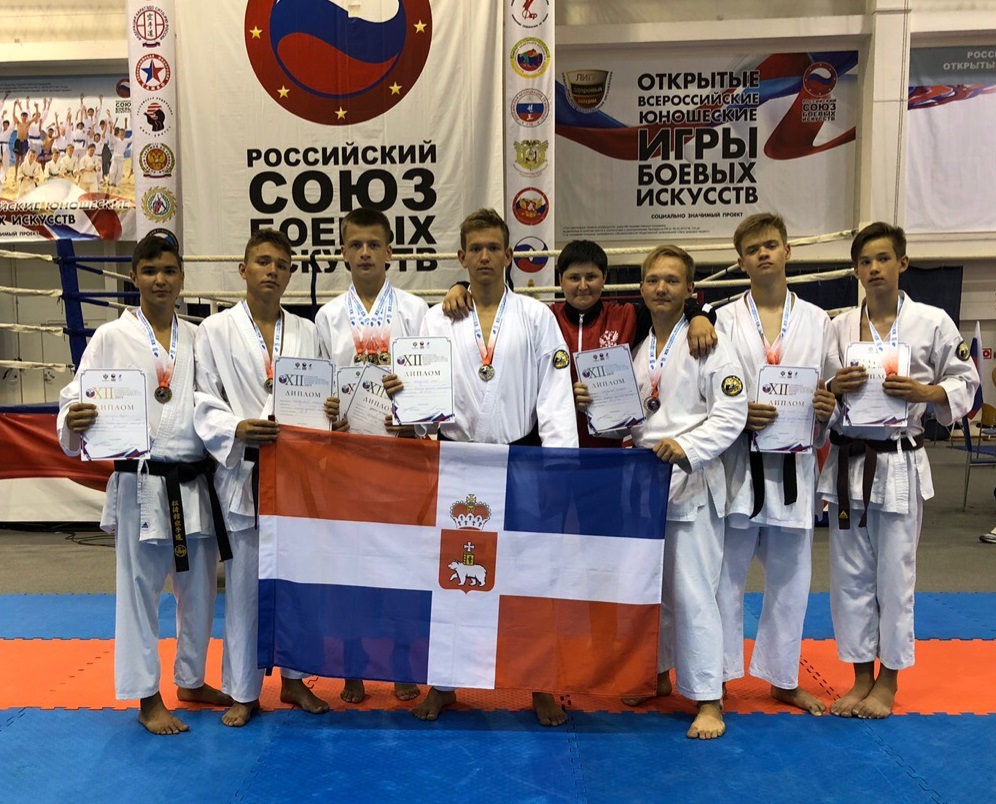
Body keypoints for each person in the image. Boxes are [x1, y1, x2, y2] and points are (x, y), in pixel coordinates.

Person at [406, 208, 579, 726]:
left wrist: (559, 464)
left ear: (509, 256)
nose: (484, 256)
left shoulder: (536, 317)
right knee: (452, 577)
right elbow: (424, 392)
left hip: (521, 461)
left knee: (531, 576)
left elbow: (555, 393)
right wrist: (411, 411)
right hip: (457, 461)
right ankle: (444, 683)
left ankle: (540, 684)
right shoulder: (436, 319)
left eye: (493, 248)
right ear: (461, 257)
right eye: (475, 249)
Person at [56, 235, 232, 734]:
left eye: (169, 270)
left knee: (199, 590)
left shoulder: (199, 337)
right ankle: (147, 696)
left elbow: (214, 401)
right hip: (141, 480)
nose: (160, 280)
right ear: (133, 276)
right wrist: (75, 416)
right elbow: (74, 396)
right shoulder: (111, 336)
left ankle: (191, 680)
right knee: (139, 592)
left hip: (193, 481)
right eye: (150, 270)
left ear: (182, 278)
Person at [578, 244, 747, 739]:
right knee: (651, 590)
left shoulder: (709, 343)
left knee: (694, 592)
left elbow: (731, 413)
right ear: (642, 288)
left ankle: (709, 699)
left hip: (690, 479)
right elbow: (629, 421)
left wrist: (688, 446)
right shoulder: (637, 350)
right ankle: (656, 674)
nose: (661, 288)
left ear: (690, 290)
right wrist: (594, 407)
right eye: (653, 280)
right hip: (643, 480)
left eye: (672, 280)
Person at [819, 222, 980, 718]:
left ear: (902, 263)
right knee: (849, 577)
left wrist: (927, 392)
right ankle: (859, 677)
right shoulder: (838, 326)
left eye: (883, 259)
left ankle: (888, 681)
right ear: (856, 270)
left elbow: (967, 382)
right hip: (848, 464)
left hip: (898, 461)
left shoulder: (933, 322)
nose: (874, 269)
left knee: (894, 575)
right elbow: (821, 395)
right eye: (865, 262)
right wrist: (834, 388)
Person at [194, 229, 339, 727]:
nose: (272, 270)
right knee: (243, 586)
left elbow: (325, 391)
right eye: (262, 261)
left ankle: (296, 681)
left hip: (297, 471)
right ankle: (243, 690)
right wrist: (235, 427)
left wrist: (330, 410)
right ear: (243, 269)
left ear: (291, 273)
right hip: (244, 470)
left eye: (281, 263)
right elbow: (203, 397)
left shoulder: (307, 331)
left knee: (298, 580)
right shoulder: (215, 330)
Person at [715, 213, 839, 715]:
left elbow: (832, 388)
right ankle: (716, 677)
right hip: (739, 465)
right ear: (741, 261)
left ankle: (783, 678)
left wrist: (828, 408)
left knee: (791, 578)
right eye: (752, 249)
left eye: (770, 245)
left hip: (793, 466)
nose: (763, 254)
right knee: (725, 576)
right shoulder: (722, 319)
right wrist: (736, 413)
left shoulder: (818, 320)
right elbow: (711, 387)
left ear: (787, 251)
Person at [442, 239, 718, 446]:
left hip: (607, 450)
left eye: (591, 277)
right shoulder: (541, 318)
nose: (583, 286)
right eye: (574, 278)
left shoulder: (628, 316)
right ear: (560, 280)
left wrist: (699, 317)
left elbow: (670, 305)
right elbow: (496, 303)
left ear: (604, 278)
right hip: (550, 445)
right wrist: (460, 286)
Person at [314, 207, 428, 704]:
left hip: (401, 454)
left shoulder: (416, 310)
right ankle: (353, 666)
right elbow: (320, 385)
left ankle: (404, 663)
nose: (365, 252)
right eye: (356, 244)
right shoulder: (327, 317)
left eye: (373, 244)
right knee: (350, 566)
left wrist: (414, 417)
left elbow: (430, 377)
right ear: (343, 252)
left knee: (404, 564)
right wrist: (329, 416)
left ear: (390, 253)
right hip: (348, 458)